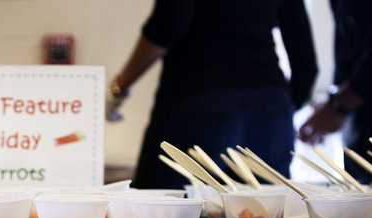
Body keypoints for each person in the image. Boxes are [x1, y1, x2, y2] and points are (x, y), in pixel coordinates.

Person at [108, 0, 318, 189]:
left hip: (198, 105)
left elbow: (169, 22)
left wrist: (120, 87)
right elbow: (305, 62)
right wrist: (279, 108)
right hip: (269, 110)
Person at [298, 0, 372, 182]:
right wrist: (336, 101)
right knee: (362, 202)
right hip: (362, 119)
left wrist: (338, 105)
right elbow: (351, 43)